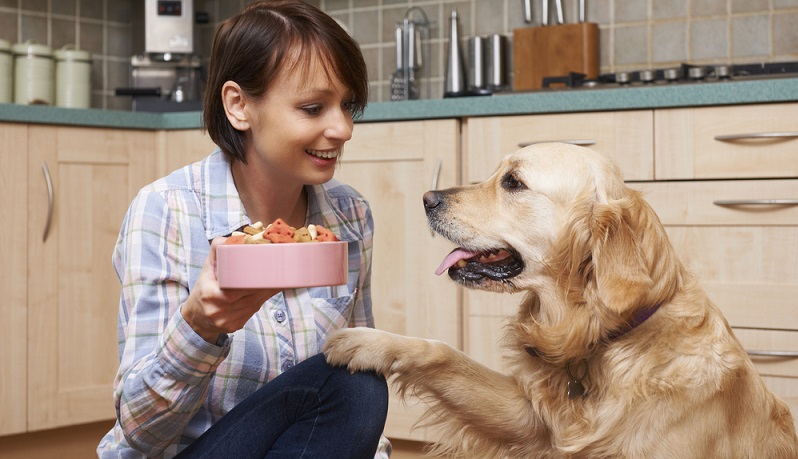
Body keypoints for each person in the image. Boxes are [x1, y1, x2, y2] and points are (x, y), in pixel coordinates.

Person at [97, 1, 390, 457]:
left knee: (360, 376)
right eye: (314, 107)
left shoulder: (350, 216)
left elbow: (343, 411)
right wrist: (199, 328)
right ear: (238, 105)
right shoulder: (167, 211)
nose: (344, 128)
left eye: (347, 105)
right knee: (354, 384)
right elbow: (140, 433)